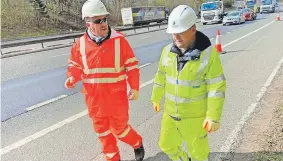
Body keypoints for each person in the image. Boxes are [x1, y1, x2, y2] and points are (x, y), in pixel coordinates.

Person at [64, 0, 145, 161]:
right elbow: (75, 65)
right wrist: (72, 77)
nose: (103, 24)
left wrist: (134, 88)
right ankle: (113, 158)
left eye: (104, 19)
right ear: (88, 23)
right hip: (94, 100)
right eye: (98, 20)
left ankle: (136, 142)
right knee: (102, 132)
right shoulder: (79, 45)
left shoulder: (119, 41)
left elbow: (132, 66)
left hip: (117, 98)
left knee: (120, 130)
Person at [150, 5, 226, 161]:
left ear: (193, 29)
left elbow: (216, 87)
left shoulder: (208, 54)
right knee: (167, 145)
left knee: (199, 155)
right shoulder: (167, 51)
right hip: (170, 115)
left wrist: (213, 117)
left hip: (195, 118)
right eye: (173, 34)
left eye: (181, 33)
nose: (176, 38)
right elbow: (161, 76)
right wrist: (155, 97)